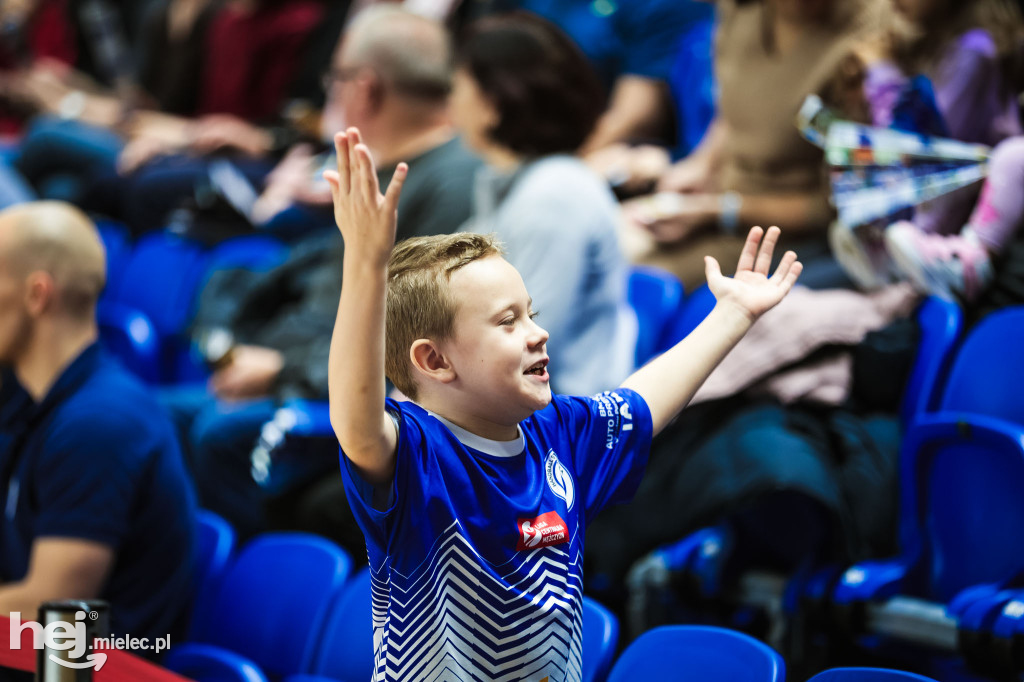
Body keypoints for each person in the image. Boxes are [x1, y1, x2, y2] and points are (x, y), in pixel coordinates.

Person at [324, 126, 802, 680]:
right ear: (433, 362)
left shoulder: (560, 437)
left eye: (532, 313)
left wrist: (733, 315)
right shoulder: (416, 456)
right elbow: (354, 418)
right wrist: (365, 262)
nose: (537, 334)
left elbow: (644, 400)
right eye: (507, 322)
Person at [164, 5, 482, 540]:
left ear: (364, 90)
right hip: (307, 365)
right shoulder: (380, 169)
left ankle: (242, 599)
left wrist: (284, 370)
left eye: (332, 80)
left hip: (339, 391)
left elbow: (416, 344)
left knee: (206, 432)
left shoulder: (446, 185)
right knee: (157, 412)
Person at [0, 202, 196, 651]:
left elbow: (51, 613)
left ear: (36, 294)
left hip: (92, 669)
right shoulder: (32, 404)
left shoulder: (100, 424)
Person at [619, 0, 887, 290]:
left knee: (629, 283)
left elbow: (834, 207)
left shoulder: (866, 39)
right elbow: (734, 106)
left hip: (788, 237)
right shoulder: (741, 10)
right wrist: (702, 164)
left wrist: (721, 210)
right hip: (718, 201)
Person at [451, 12, 637, 396]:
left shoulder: (553, 197)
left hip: (555, 431)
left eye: (457, 86)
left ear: (492, 104)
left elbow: (517, 348)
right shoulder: (512, 180)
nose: (450, 102)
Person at [850, 0, 1024, 300]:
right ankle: (893, 250)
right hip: (957, 183)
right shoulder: (939, 42)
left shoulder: (974, 50)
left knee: (1011, 156)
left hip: (978, 181)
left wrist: (881, 72)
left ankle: (966, 264)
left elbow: (920, 143)